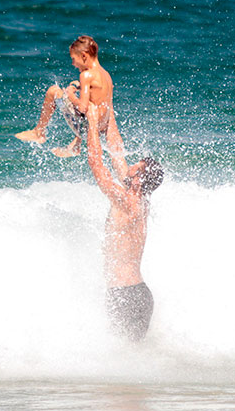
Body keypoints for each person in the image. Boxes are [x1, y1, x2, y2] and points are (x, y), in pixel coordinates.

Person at [86, 104, 164, 341]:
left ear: (138, 179)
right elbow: (116, 152)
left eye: (135, 167)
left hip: (124, 295)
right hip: (136, 294)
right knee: (132, 364)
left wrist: (90, 123)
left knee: (123, 365)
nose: (129, 167)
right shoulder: (140, 202)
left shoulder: (127, 203)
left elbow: (96, 164)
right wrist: (107, 113)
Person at [15, 36, 128, 180]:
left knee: (53, 91)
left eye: (74, 59)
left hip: (88, 128)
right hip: (100, 126)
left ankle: (39, 132)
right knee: (88, 102)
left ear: (84, 56)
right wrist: (81, 88)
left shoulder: (86, 75)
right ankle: (75, 145)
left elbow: (82, 107)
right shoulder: (106, 75)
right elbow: (100, 100)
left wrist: (70, 94)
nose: (73, 64)